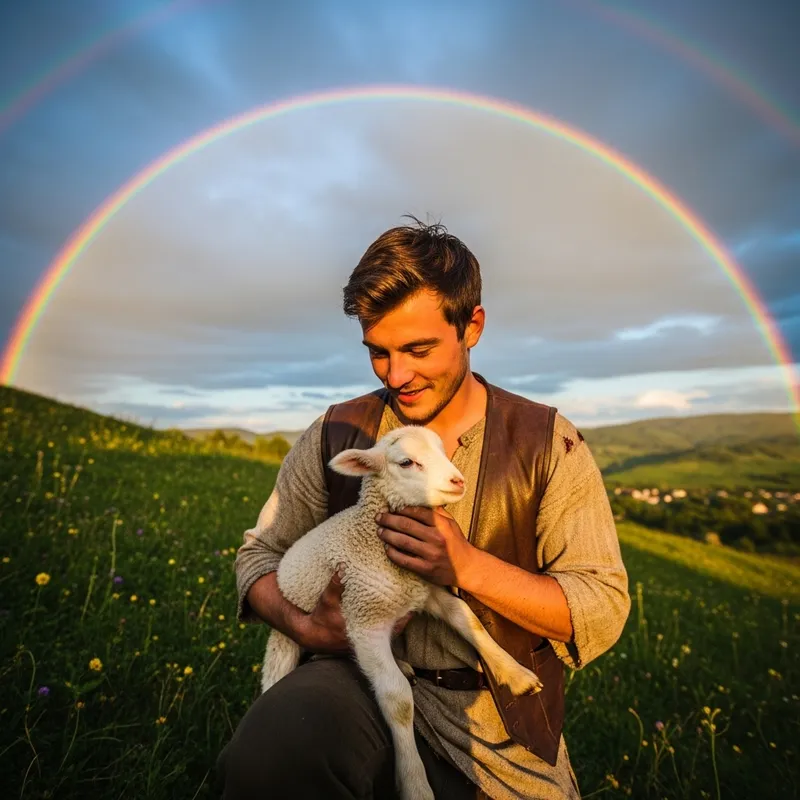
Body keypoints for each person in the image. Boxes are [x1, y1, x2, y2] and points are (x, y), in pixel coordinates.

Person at [216, 218, 631, 799]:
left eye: (418, 349)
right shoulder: (337, 433)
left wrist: (467, 565)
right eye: (378, 352)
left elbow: (602, 605)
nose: (397, 375)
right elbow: (259, 555)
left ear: (472, 326)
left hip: (496, 725)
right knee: (273, 748)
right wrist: (305, 626)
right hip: (354, 682)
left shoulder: (547, 445)